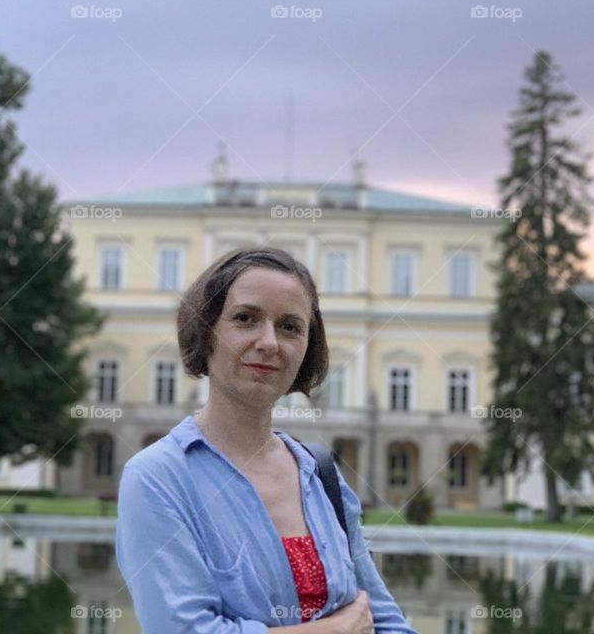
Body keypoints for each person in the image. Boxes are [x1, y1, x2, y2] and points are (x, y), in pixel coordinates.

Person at [115, 246, 417, 633]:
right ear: (205, 332)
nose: (269, 342)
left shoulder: (320, 473)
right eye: (245, 318)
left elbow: (388, 621)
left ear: (308, 346)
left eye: (290, 326)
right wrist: (333, 630)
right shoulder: (158, 478)